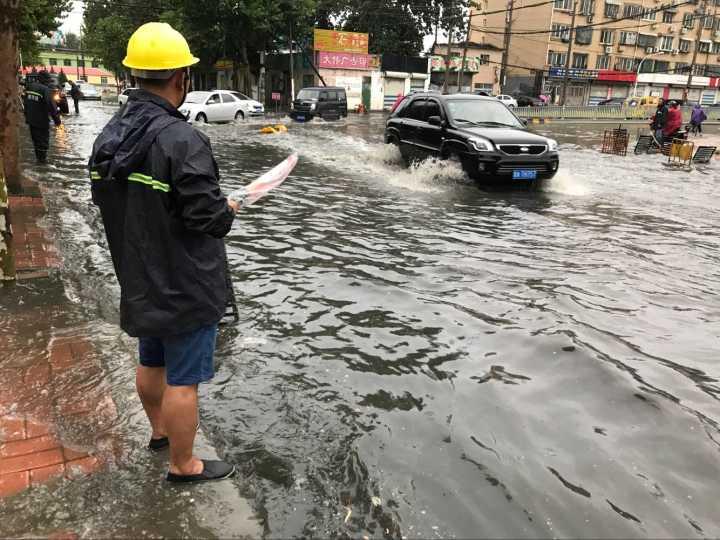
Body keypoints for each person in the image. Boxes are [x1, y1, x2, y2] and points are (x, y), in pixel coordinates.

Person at [88, 22, 242, 484]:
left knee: (150, 360)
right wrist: (227, 206)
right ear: (180, 77)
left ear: (135, 75)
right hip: (186, 284)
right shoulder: (182, 139)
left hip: (139, 277)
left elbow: (107, 203)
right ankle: (183, 464)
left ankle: (159, 433)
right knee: (183, 381)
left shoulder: (110, 134)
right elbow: (207, 219)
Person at [22, 70, 61, 164]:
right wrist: (57, 120)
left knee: (36, 140)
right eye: (48, 80)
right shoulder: (45, 89)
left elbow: (25, 103)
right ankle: (42, 162)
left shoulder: (30, 87)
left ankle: (38, 160)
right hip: (41, 121)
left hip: (31, 120)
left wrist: (26, 115)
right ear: (43, 80)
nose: (49, 82)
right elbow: (51, 107)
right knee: (43, 141)